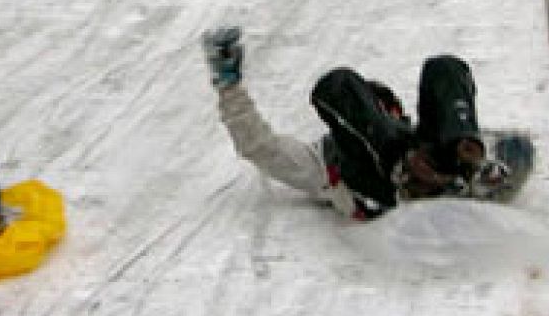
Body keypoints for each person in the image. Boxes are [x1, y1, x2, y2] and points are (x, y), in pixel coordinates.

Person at [202, 27, 513, 220]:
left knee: (443, 68)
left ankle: (471, 162)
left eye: (388, 109)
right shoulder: (321, 163)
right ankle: (406, 179)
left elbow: (516, 147)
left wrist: (470, 145)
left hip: (442, 169)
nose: (385, 114)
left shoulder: (422, 139)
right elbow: (260, 146)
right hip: (377, 185)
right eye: (377, 107)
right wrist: (229, 87)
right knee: (337, 84)